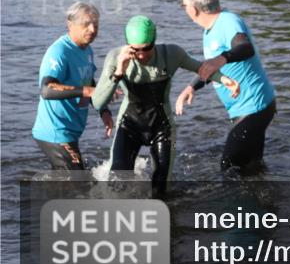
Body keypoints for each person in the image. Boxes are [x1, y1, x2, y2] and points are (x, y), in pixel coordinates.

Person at [91, 15, 240, 196]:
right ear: (128, 45)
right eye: (135, 50)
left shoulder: (171, 54)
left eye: (147, 48)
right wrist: (120, 71)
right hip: (129, 125)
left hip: (162, 127)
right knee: (117, 184)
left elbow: (200, 68)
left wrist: (225, 80)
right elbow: (98, 102)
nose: (141, 55)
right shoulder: (115, 57)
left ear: (154, 41)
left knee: (161, 191)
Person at [179, 0, 276, 174]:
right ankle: (267, 193)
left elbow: (245, 47)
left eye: (183, 5)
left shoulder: (228, 21)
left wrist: (221, 58)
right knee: (252, 168)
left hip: (253, 107)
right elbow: (213, 68)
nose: (184, 9)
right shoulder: (210, 30)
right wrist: (192, 86)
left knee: (229, 169)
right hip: (250, 108)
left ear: (193, 9)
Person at [32, 2, 113, 170]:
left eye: (95, 24)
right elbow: (46, 89)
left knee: (66, 179)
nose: (92, 29)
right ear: (70, 24)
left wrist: (103, 110)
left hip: (70, 130)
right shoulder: (59, 52)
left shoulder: (87, 50)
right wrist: (87, 91)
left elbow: (89, 82)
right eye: (86, 24)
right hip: (55, 131)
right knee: (79, 180)